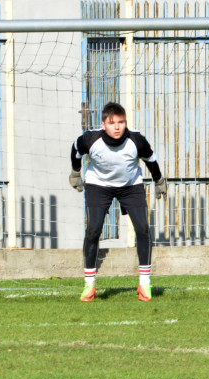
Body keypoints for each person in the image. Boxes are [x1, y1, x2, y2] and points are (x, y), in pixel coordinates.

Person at [70, 102, 167, 302]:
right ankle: (89, 285)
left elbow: (151, 160)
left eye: (121, 122)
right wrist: (75, 172)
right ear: (103, 124)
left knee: (142, 229)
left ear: (125, 123)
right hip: (98, 185)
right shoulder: (91, 139)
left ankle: (144, 284)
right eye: (111, 123)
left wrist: (159, 181)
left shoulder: (136, 140)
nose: (117, 127)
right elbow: (76, 150)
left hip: (130, 186)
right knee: (93, 229)